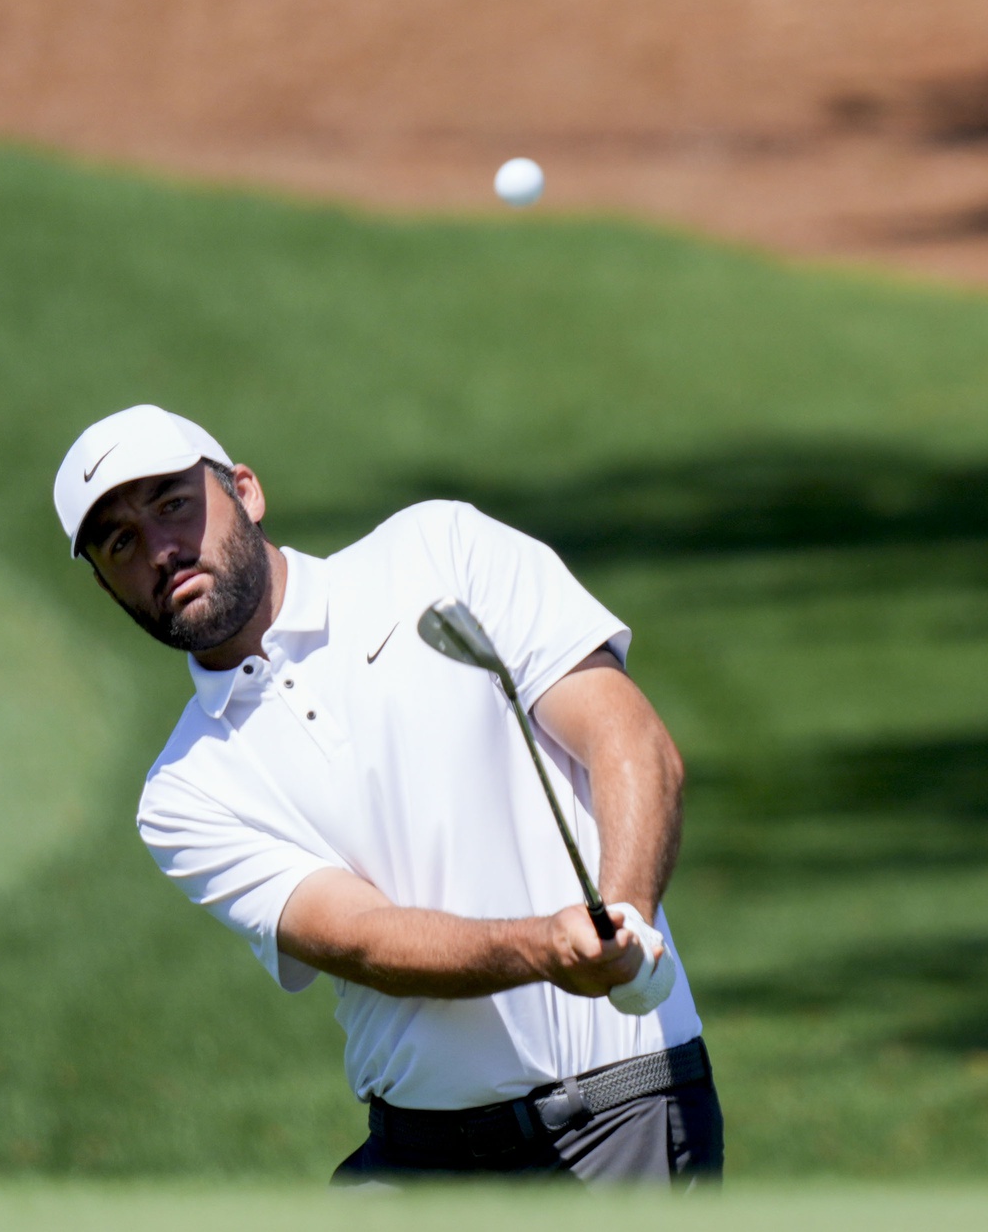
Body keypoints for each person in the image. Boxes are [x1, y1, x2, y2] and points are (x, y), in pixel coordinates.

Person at [52, 404, 721, 1185]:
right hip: (417, 1159)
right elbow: (364, 939)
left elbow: (626, 739)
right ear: (107, 586)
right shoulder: (183, 791)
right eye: (122, 542)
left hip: (612, 1125)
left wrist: (622, 923)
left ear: (245, 491)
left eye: (174, 503)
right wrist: (546, 947)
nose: (163, 550)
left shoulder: (438, 551)